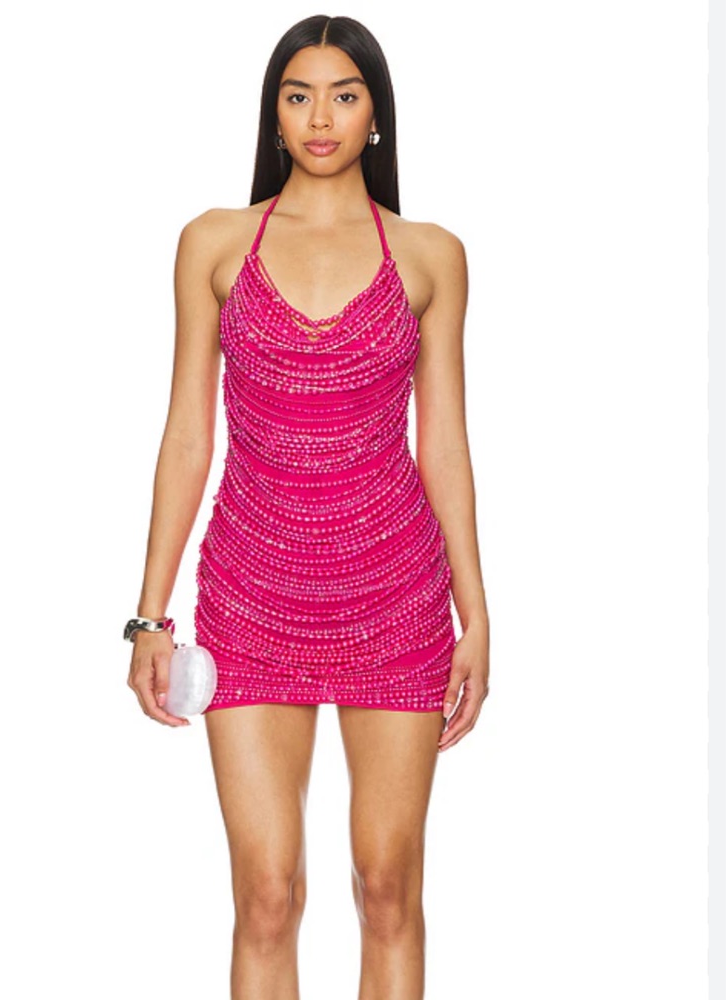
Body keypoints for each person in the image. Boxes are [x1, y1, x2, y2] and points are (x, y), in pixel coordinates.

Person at [126, 14, 490, 999]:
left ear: (375, 114)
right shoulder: (214, 243)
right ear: (274, 115)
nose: (320, 117)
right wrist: (150, 616)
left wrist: (475, 614)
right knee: (266, 895)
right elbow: (187, 436)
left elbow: (444, 446)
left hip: (396, 600)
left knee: (387, 890)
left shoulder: (431, 255)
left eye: (343, 95)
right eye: (298, 96)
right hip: (250, 597)